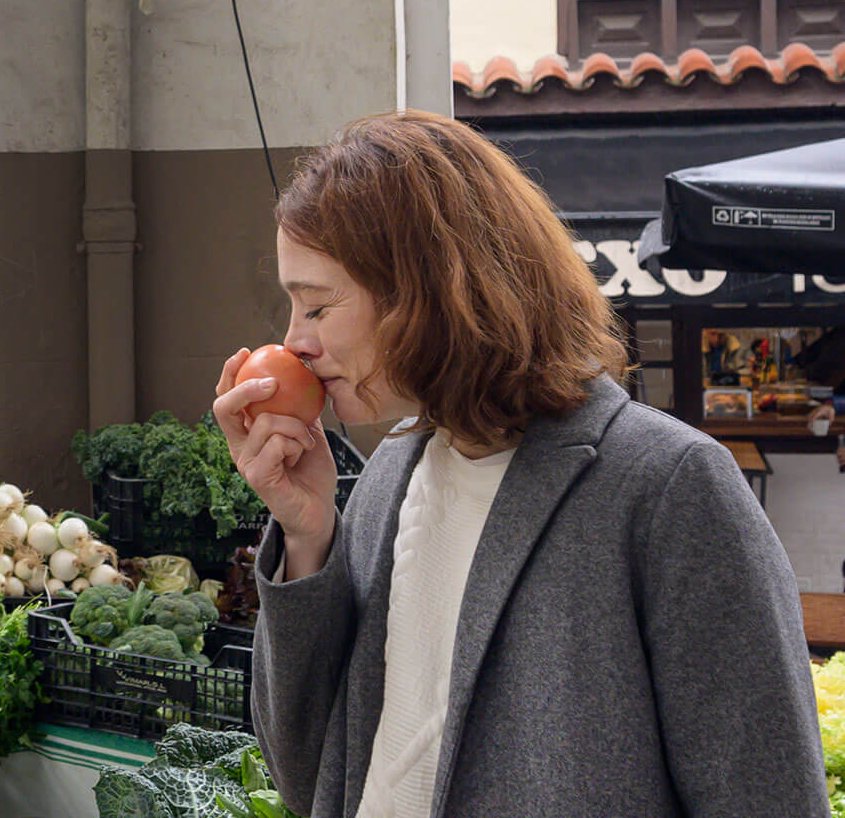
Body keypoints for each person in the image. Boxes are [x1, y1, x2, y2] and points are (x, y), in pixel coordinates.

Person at [211, 110, 828, 818]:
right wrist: (307, 533)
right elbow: (309, 774)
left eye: (318, 307)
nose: (294, 343)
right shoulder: (387, 480)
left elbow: (768, 798)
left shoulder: (667, 489)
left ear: (432, 295)